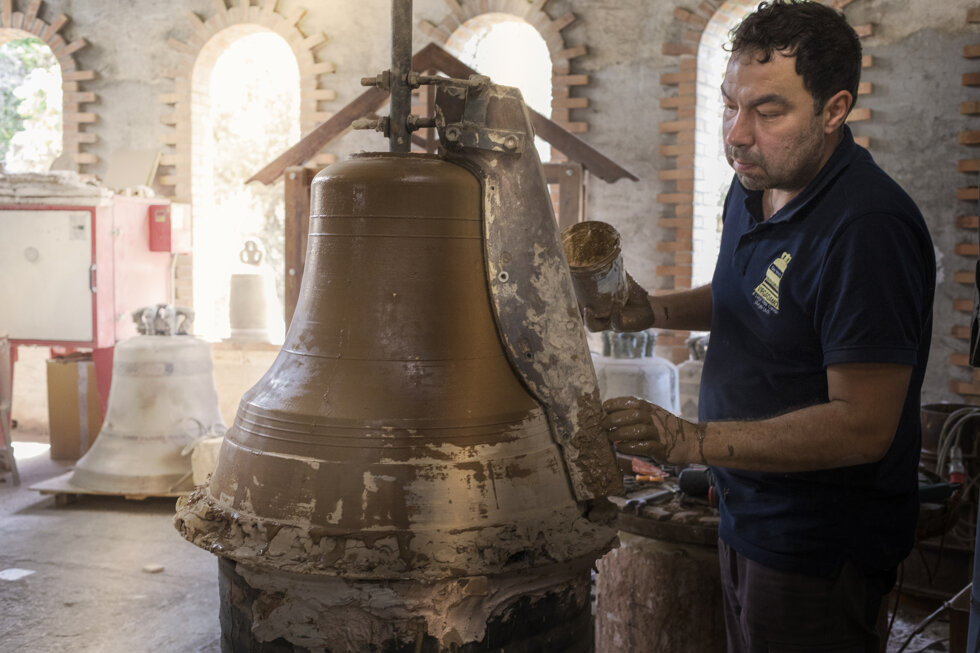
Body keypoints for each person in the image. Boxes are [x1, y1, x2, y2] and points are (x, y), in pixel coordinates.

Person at [585, 2, 936, 651]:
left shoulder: (867, 230)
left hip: (815, 541)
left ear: (834, 110)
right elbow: (747, 295)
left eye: (768, 111)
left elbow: (863, 424)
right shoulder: (755, 184)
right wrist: (652, 311)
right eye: (730, 105)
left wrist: (691, 440)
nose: (737, 134)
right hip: (745, 509)